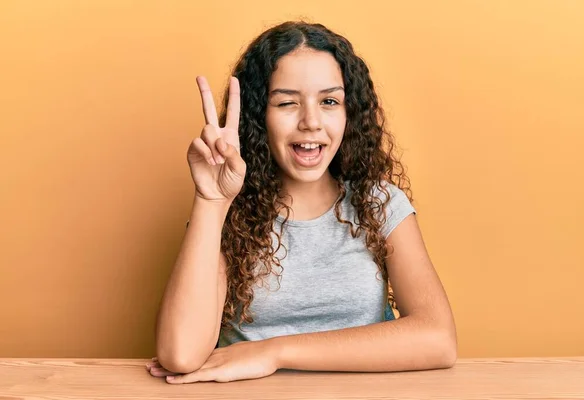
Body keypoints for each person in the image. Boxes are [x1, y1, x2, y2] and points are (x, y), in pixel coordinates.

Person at [147, 20, 457, 384]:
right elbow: (179, 353)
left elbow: (438, 339)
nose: (311, 121)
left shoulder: (380, 203)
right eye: (287, 103)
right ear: (258, 116)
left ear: (349, 113)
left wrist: (273, 351)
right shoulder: (228, 212)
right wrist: (211, 201)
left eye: (329, 101)